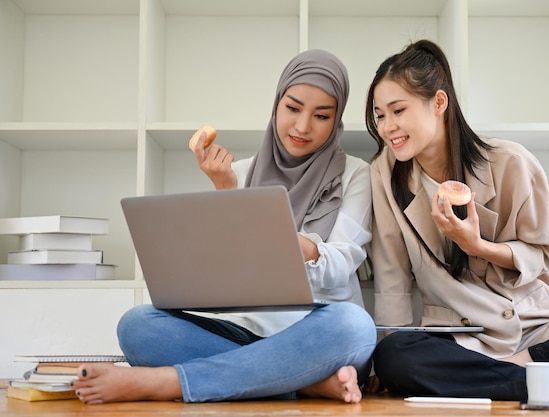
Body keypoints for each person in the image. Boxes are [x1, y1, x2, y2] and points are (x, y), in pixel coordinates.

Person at [71, 49, 376, 404]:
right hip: (241, 331)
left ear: (336, 120)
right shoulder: (239, 173)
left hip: (316, 332)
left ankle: (169, 383)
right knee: (138, 324)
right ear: (277, 104)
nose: (302, 126)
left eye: (321, 115)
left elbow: (340, 267)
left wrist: (277, 234)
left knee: (355, 327)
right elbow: (222, 273)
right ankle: (301, 382)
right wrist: (226, 193)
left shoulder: (355, 173)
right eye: (292, 108)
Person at [365, 39, 549, 400]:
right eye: (380, 114)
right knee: (396, 356)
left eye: (398, 110)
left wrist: (478, 246)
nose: (387, 126)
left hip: (536, 327)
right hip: (461, 337)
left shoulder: (511, 162)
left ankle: (532, 369)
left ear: (439, 103)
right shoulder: (385, 174)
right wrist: (386, 364)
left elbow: (541, 254)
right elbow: (391, 273)